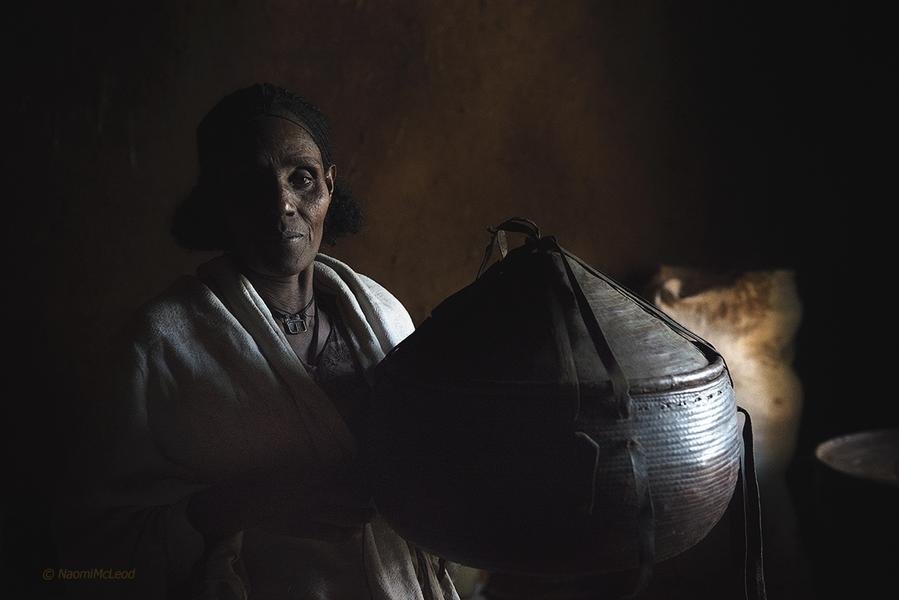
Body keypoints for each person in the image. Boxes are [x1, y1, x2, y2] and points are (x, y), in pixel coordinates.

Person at [58, 83, 459, 600]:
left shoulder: (383, 313)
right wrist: (244, 504)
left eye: (303, 179)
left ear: (330, 187)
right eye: (250, 184)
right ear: (219, 203)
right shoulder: (162, 344)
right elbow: (91, 551)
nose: (282, 204)